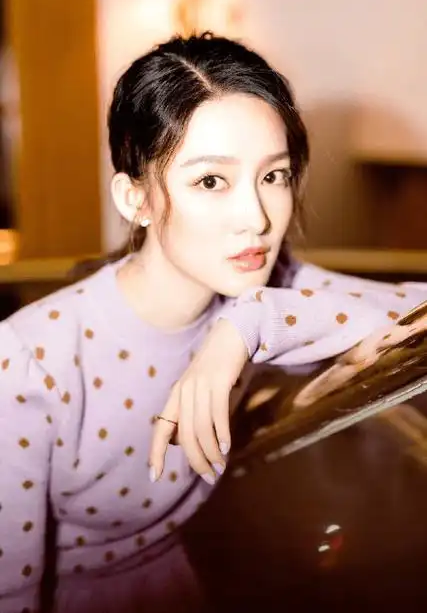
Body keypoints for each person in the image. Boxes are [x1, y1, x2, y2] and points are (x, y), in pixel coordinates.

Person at [0, 32, 426, 613]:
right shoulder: (28, 360)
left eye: (273, 176)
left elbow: (413, 312)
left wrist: (252, 322)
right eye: (210, 181)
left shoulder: (263, 293)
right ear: (135, 199)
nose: (256, 219)